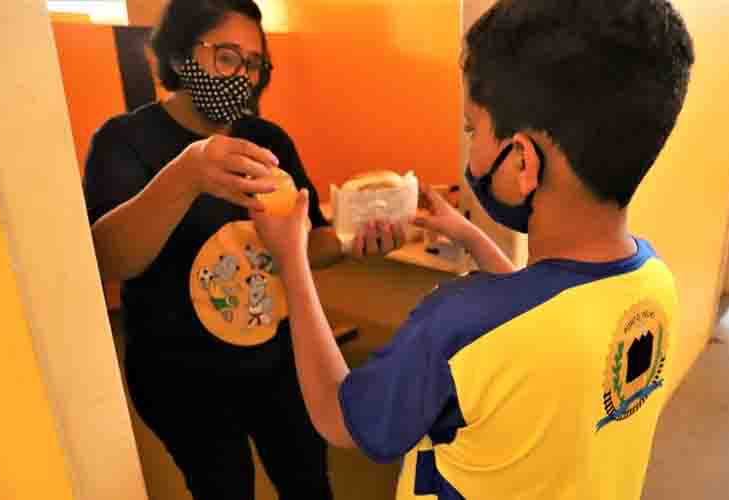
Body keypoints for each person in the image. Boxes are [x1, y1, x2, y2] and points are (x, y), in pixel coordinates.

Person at [250, 0, 695, 498]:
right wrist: (469, 235)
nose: (470, 147)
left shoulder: (457, 321)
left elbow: (339, 416)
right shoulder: (656, 281)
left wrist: (292, 260)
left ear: (523, 160)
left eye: (472, 129)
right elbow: (538, 320)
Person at [83, 1, 403, 498]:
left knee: (309, 483)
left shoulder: (266, 138)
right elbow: (112, 259)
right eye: (227, 57)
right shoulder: (125, 141)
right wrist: (186, 176)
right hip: (182, 378)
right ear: (179, 53)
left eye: (253, 64)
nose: (242, 76)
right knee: (224, 488)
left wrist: (348, 242)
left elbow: (305, 242)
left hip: (277, 362)